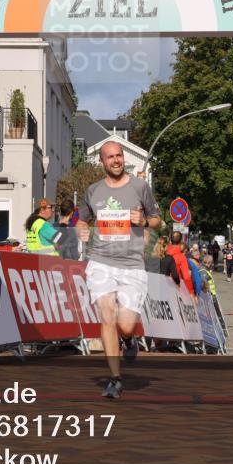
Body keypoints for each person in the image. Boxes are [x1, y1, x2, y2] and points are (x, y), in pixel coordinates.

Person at [76, 141, 162, 399]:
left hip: (131, 265)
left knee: (125, 325)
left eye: (119, 155)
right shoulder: (93, 191)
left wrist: (145, 221)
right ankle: (115, 378)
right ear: (101, 162)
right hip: (100, 261)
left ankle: (128, 339)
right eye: (110, 157)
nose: (116, 160)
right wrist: (81, 228)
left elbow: (159, 221)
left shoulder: (140, 187)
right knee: (106, 317)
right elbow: (83, 218)